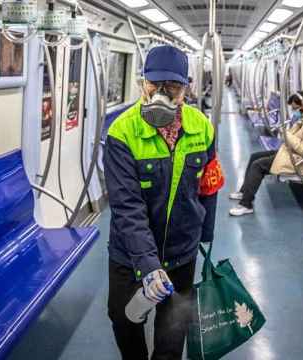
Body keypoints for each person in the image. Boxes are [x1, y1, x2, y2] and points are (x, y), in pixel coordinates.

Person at [104, 45, 224, 360]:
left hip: (181, 252)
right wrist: (147, 265)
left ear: (186, 88)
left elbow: (209, 187)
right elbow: (127, 207)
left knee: (172, 337)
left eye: (172, 86)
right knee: (124, 320)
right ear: (142, 82)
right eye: (154, 84)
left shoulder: (202, 127)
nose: (162, 93)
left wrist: (205, 237)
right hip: (129, 256)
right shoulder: (122, 132)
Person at [229, 91, 303, 216]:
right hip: (291, 154)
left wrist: (287, 134)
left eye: (296, 109)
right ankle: (244, 192)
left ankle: (246, 204)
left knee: (258, 165)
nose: (295, 112)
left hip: (299, 161)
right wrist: (300, 124)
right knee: (254, 156)